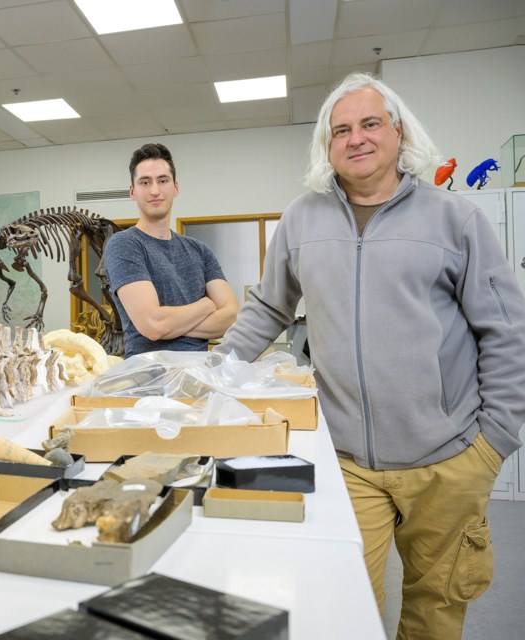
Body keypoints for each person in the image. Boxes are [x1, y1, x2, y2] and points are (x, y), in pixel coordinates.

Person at [215, 72, 525, 639]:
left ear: (397, 132)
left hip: (449, 458)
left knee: (436, 609)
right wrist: (214, 376)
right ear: (326, 146)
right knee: (341, 610)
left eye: (370, 124)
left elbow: (506, 331)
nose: (356, 139)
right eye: (341, 130)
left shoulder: (454, 218)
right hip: (347, 464)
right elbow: (267, 309)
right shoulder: (301, 219)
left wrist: (494, 441)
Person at [104, 142, 238, 357]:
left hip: (199, 378)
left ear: (175, 188)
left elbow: (231, 315)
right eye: (145, 182)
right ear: (132, 192)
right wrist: (206, 305)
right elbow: (154, 325)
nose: (155, 190)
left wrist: (170, 327)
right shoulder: (124, 245)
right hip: (148, 381)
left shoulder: (199, 250)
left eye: (163, 181)